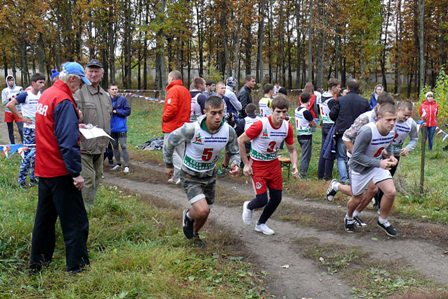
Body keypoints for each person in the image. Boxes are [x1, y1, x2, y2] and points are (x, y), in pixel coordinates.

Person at [30, 62, 90, 273]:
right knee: (75, 221)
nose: (81, 87)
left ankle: (38, 262)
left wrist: (74, 123)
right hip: (61, 170)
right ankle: (77, 266)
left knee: (44, 220)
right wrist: (76, 173)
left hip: (44, 168)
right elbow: (67, 143)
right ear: (72, 79)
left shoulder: (47, 94)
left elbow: (50, 128)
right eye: (81, 82)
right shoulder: (63, 99)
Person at [163, 96, 240, 246]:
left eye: (221, 112)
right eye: (213, 113)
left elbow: (234, 151)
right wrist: (168, 164)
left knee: (206, 212)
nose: (218, 117)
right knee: (202, 210)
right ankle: (188, 216)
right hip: (190, 175)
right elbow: (170, 140)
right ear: (205, 112)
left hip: (209, 176)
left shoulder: (228, 131)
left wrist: (235, 164)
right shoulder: (192, 129)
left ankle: (194, 235)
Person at [239, 94, 298, 235]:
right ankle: (248, 206)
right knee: (262, 199)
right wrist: (246, 164)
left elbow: (292, 149)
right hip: (258, 165)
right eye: (278, 112)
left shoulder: (287, 127)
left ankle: (261, 224)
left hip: (273, 164)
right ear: (272, 110)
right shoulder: (261, 124)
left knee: (277, 198)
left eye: (284, 112)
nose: (281, 115)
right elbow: (241, 140)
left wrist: (295, 165)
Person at [343, 103, 398, 237]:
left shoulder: (391, 132)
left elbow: (388, 145)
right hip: (359, 168)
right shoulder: (367, 131)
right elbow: (356, 156)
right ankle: (348, 217)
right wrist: (379, 162)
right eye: (388, 120)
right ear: (379, 117)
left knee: (391, 192)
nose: (392, 123)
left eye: (394, 119)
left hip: (376, 165)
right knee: (356, 199)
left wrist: (391, 157)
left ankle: (382, 220)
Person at [74, 59, 113, 206]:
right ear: (85, 73)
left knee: (97, 177)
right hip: (84, 146)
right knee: (88, 179)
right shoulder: (79, 94)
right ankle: (84, 212)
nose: (93, 74)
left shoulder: (106, 96)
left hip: (101, 145)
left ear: (102, 74)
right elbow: (72, 119)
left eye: (97, 71)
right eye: (91, 71)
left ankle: (88, 206)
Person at [373, 100, 418, 209]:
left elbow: (414, 139)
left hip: (395, 155)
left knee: (387, 178)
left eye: (409, 115)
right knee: (375, 178)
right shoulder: (388, 119)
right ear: (398, 110)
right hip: (380, 152)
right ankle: (374, 197)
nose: (407, 118)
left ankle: (379, 203)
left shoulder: (411, 123)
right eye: (405, 115)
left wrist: (408, 148)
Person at [6, 73, 46, 188]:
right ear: (33, 83)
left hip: (40, 129)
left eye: (43, 82)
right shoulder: (25, 95)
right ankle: (21, 181)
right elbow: (10, 104)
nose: (42, 85)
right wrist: (21, 117)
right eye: (40, 82)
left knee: (37, 155)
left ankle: (34, 179)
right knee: (28, 155)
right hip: (29, 130)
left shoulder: (42, 95)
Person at [329, 78, 370, 184]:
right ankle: (356, 179)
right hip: (359, 133)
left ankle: (344, 179)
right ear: (358, 88)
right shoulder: (364, 101)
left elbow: (332, 115)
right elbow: (369, 117)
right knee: (357, 155)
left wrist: (339, 120)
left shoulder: (341, 100)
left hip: (343, 132)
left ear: (347, 88)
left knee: (341, 156)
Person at [162, 70, 191, 184]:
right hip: (183, 125)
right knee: (180, 151)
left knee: (169, 150)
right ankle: (176, 176)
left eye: (169, 77)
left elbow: (171, 108)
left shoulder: (173, 90)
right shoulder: (185, 90)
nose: (168, 80)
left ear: (172, 78)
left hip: (173, 126)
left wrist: (164, 117)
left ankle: (181, 174)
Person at [317, 78, 340, 180]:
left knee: (323, 150)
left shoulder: (322, 96)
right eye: (338, 87)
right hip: (330, 125)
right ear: (333, 87)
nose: (340, 89)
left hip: (324, 124)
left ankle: (320, 174)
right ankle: (327, 175)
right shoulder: (331, 100)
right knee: (330, 151)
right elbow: (336, 113)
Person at [109, 85, 131, 173]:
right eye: (112, 89)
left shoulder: (122, 99)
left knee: (123, 146)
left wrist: (116, 111)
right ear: (109, 90)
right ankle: (118, 163)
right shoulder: (107, 100)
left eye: (116, 89)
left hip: (121, 128)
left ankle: (126, 165)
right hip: (111, 128)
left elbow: (128, 111)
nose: (114, 91)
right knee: (115, 147)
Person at [294, 92, 316, 178]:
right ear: (309, 101)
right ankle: (303, 174)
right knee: (306, 156)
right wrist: (313, 123)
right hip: (306, 136)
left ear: (300, 99)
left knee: (304, 154)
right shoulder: (306, 112)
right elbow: (313, 124)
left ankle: (302, 172)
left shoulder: (297, 109)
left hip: (299, 134)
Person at [2, 75, 23, 144]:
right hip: (8, 112)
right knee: (10, 130)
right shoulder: (5, 90)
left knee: (21, 129)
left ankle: (24, 145)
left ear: (14, 81)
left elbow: (23, 99)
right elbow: (3, 103)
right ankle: (13, 145)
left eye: (12, 80)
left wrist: (15, 100)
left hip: (18, 111)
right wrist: (9, 99)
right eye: (9, 80)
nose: (11, 82)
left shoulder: (19, 88)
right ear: (7, 81)